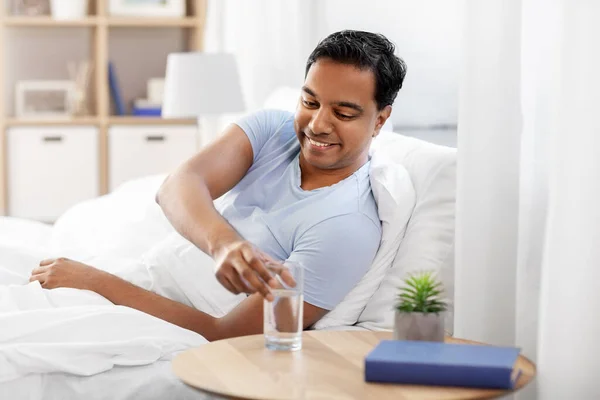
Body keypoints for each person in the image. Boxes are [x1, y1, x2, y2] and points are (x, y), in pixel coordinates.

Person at [29, 30, 407, 341]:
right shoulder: (274, 130)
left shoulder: (346, 227)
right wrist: (224, 244)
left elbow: (225, 336)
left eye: (343, 113)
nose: (317, 124)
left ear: (379, 120)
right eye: (309, 101)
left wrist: (96, 283)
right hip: (139, 279)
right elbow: (177, 185)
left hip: (170, 329)